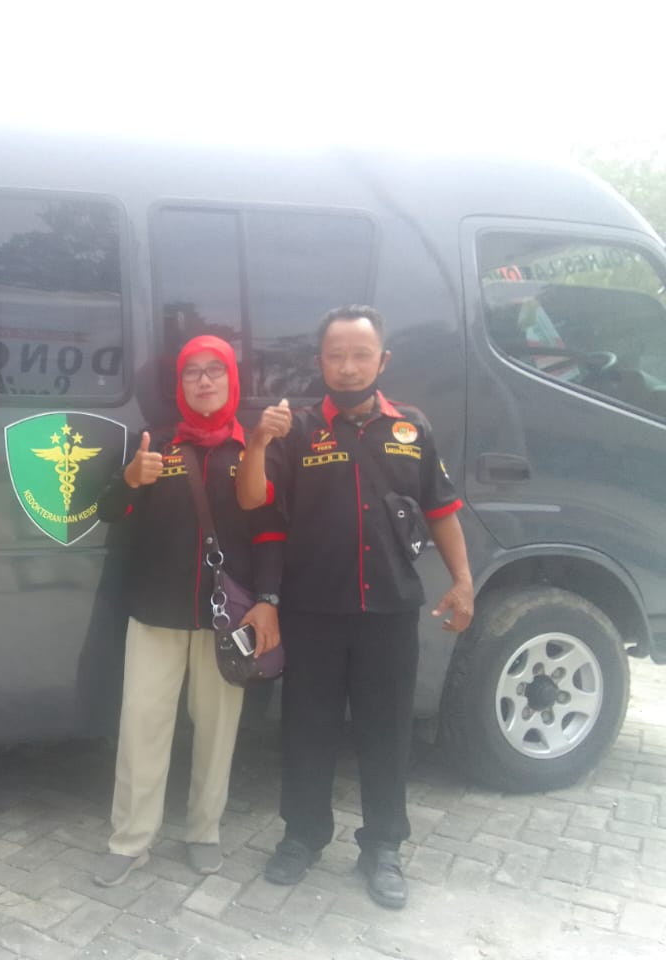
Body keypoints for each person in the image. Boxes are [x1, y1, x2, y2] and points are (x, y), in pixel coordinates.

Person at [236, 305, 473, 909]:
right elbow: (254, 500)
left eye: (360, 355)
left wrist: (463, 581)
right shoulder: (296, 429)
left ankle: (384, 847)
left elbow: (442, 509)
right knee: (306, 731)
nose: (348, 366)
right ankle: (303, 836)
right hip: (312, 611)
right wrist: (259, 439)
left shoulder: (412, 428)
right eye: (336, 355)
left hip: (389, 613)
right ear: (320, 362)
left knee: (387, 733)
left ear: (382, 360)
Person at [92, 334, 284, 887]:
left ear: (232, 380)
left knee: (218, 729)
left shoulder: (251, 447)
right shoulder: (154, 444)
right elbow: (108, 511)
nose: (203, 380)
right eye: (192, 372)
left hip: (228, 620)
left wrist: (268, 601)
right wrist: (132, 479)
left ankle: (203, 832)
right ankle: (131, 840)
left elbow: (270, 531)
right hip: (155, 612)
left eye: (214, 370)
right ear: (179, 385)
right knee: (141, 728)